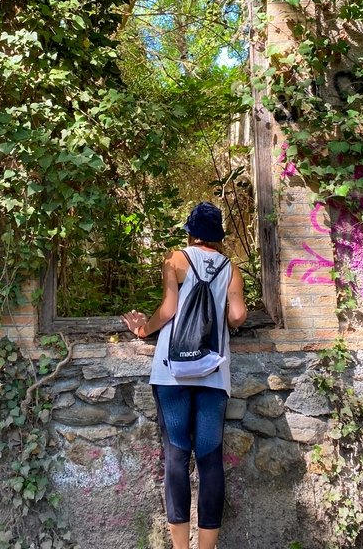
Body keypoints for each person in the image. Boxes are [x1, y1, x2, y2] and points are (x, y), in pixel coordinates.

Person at [122, 202, 247, 549]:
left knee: (176, 455)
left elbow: (169, 308)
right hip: (213, 372)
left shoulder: (175, 258)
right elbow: (237, 316)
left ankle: (180, 547)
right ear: (218, 236)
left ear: (191, 231)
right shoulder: (230, 268)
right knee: (209, 459)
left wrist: (144, 329)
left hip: (171, 371)